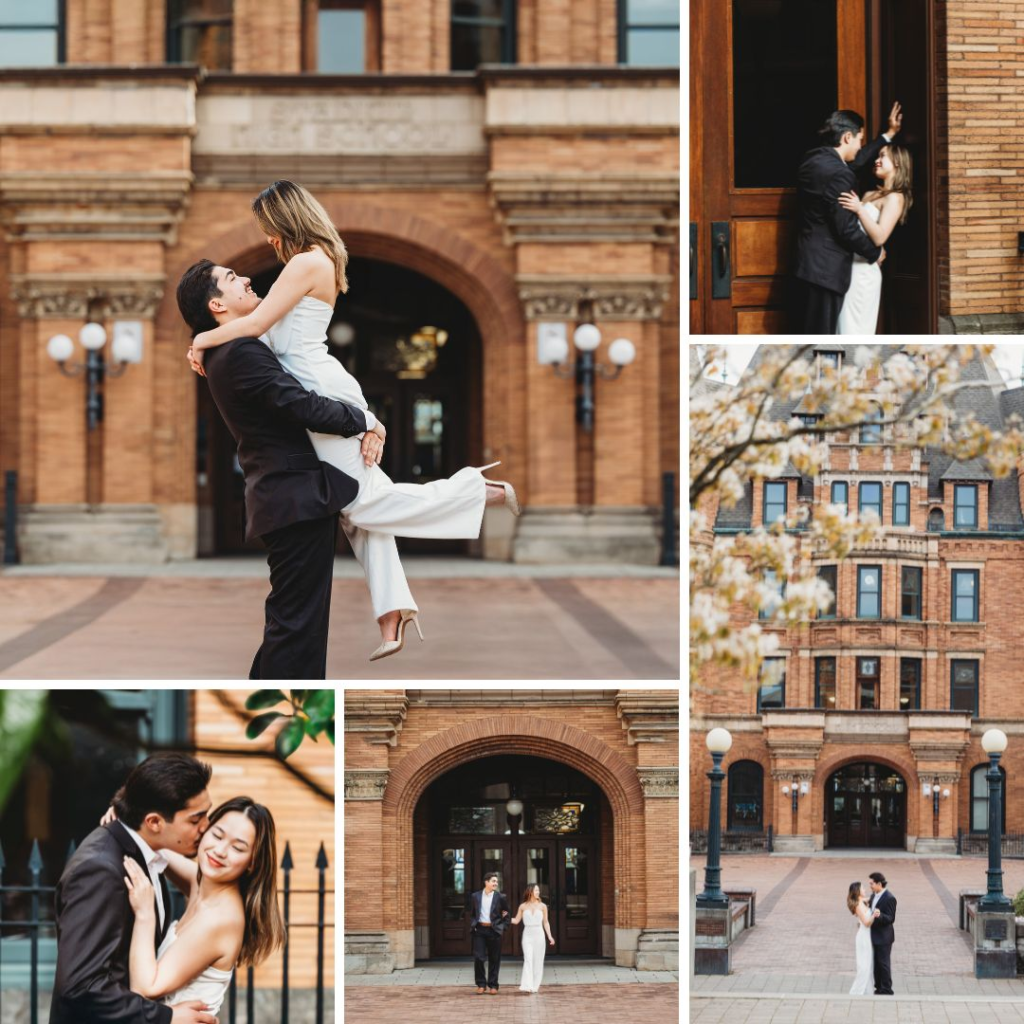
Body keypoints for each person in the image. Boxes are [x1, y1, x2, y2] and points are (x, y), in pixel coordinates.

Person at [186, 180, 521, 662]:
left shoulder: (306, 262)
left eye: (268, 229)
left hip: (321, 388)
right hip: (320, 384)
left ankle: (476, 491)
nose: (267, 241)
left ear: (284, 221)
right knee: (357, 504)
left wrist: (201, 341)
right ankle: (392, 614)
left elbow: (257, 327)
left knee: (363, 504)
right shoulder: (309, 262)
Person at [177, 260, 377, 679]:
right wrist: (366, 420)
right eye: (232, 279)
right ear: (217, 304)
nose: (246, 279)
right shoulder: (240, 351)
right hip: (294, 498)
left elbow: (275, 315)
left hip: (287, 498)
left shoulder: (231, 346)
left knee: (291, 623)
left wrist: (202, 338)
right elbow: (299, 405)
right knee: (297, 627)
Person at [49, 754, 217, 1024]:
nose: (206, 827)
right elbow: (81, 989)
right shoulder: (100, 871)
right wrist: (167, 1017)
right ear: (153, 822)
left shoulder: (144, 852)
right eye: (196, 819)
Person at [117, 796, 284, 1015]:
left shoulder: (220, 919)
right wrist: (123, 819)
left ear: (253, 862)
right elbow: (155, 845)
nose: (220, 850)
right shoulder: (202, 886)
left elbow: (145, 988)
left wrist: (145, 915)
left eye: (238, 848)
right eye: (217, 835)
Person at [793, 103, 903, 334]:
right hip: (827, 270)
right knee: (822, 336)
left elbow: (855, 163)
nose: (860, 147)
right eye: (859, 140)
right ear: (846, 137)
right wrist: (875, 253)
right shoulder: (839, 173)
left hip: (809, 263)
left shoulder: (812, 160)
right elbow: (846, 229)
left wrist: (888, 135)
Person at [836, 144, 913, 334]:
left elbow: (880, 237)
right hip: (847, 266)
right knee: (841, 328)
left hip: (864, 272)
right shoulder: (869, 194)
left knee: (855, 330)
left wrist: (859, 209)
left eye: (882, 156)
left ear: (897, 162)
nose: (876, 160)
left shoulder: (896, 198)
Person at [467, 872, 511, 995]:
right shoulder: (475, 896)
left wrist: (502, 928)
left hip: (494, 930)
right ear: (486, 882)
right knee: (479, 958)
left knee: (494, 958)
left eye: (496, 882)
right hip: (480, 930)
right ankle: (481, 984)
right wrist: (473, 925)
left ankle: (493, 985)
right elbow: (471, 913)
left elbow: (507, 914)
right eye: (493, 881)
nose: (495, 883)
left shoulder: (501, 897)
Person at [510, 883, 555, 993]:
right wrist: (505, 918)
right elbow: (516, 921)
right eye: (536, 890)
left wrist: (550, 936)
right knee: (528, 959)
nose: (538, 892)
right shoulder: (523, 906)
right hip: (527, 935)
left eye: (538, 890)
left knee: (538, 961)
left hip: (539, 935)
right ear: (530, 892)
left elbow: (546, 922)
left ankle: (535, 986)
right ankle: (527, 985)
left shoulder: (543, 906)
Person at [868, 871, 897, 995]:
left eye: (871, 883)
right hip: (873, 934)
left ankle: (887, 988)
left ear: (879, 883)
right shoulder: (873, 895)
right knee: (876, 962)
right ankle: (878, 986)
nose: (870, 886)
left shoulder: (890, 898)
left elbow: (891, 918)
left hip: (884, 937)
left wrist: (880, 916)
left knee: (884, 963)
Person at [846, 881, 875, 996]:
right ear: (858, 891)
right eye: (862, 888)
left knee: (869, 965)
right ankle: (856, 992)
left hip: (867, 936)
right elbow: (867, 923)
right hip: (863, 937)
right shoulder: (858, 905)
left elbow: (871, 898)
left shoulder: (862, 901)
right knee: (864, 965)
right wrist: (874, 915)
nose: (865, 889)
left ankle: (868, 992)